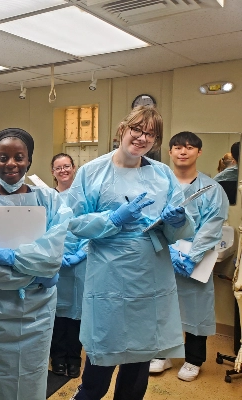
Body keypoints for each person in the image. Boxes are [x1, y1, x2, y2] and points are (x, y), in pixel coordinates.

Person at [66, 106, 195, 400]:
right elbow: (73, 221)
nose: (141, 137)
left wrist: (177, 221)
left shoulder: (162, 174)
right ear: (123, 129)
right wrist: (112, 219)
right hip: (108, 275)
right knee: (103, 355)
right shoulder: (92, 172)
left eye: (150, 134)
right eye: (137, 129)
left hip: (150, 275)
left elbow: (181, 224)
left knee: (139, 358)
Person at [0, 128, 72, 400]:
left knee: (30, 376)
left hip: (37, 312)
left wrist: (6, 257)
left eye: (19, 157)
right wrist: (34, 275)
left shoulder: (49, 200)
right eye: (3, 157)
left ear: (29, 160)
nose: (11, 164)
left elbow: (53, 254)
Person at [149, 132, 228, 381]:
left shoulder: (211, 188)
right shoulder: (159, 185)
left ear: (199, 152)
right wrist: (168, 249)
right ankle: (163, 355)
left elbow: (212, 225)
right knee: (162, 307)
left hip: (196, 258)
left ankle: (194, 360)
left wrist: (192, 255)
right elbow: (151, 219)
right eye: (178, 148)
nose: (183, 152)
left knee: (196, 307)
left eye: (190, 147)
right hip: (163, 255)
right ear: (170, 152)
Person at [49, 153, 88, 379]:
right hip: (54, 263)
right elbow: (44, 229)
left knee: (76, 315)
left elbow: (91, 226)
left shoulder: (83, 197)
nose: (63, 170)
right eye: (58, 167)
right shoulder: (48, 197)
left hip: (79, 264)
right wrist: (54, 254)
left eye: (67, 166)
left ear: (74, 168)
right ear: (52, 172)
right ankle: (58, 358)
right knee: (56, 315)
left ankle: (74, 359)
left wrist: (81, 253)